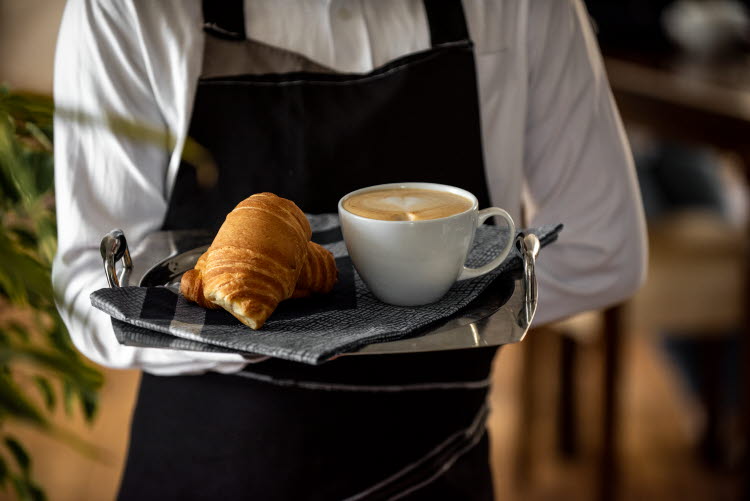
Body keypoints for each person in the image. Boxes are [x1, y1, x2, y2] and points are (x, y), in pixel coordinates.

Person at [52, 0, 647, 499]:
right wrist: (387, 316)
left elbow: (605, 250)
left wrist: (357, 322)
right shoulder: (131, 7)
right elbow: (89, 292)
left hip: (430, 470)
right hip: (210, 468)